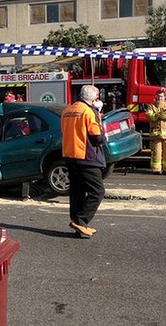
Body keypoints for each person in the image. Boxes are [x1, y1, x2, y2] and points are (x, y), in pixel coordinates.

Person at [61, 85, 106, 237]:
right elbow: (97, 136)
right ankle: (81, 220)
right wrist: (103, 131)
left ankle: (77, 222)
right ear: (93, 99)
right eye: (97, 97)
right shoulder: (89, 111)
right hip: (86, 156)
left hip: (69, 154)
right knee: (97, 191)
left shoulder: (67, 110)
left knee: (77, 191)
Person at [145, 88, 166, 175]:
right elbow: (149, 116)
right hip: (156, 135)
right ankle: (156, 169)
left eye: (162, 96)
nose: (160, 98)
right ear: (156, 97)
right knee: (157, 152)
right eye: (159, 96)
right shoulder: (151, 106)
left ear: (164, 97)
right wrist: (158, 115)